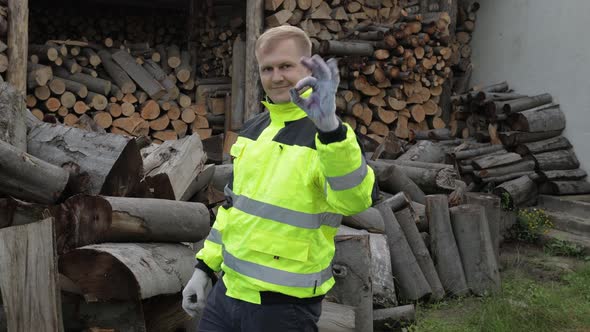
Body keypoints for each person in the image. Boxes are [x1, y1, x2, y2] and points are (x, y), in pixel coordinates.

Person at [182, 25, 377, 332]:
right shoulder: (255, 129)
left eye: (286, 66)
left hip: (284, 307)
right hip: (228, 293)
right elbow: (234, 209)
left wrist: (329, 129)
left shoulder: (330, 136)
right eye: (267, 68)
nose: (276, 77)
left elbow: (354, 200)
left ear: (308, 66)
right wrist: (205, 268)